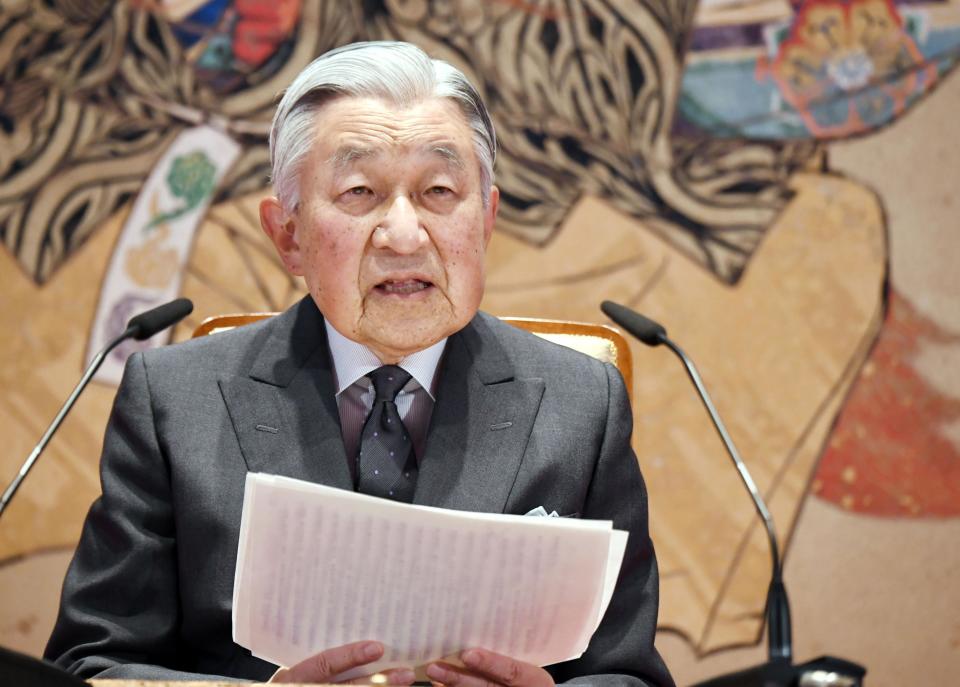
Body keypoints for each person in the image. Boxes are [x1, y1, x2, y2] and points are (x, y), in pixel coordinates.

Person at [45, 41, 674, 687]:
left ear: (485, 220)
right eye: (359, 191)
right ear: (288, 235)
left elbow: (631, 675)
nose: (404, 234)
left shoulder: (580, 404)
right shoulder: (175, 402)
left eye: (438, 190)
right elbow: (92, 665)